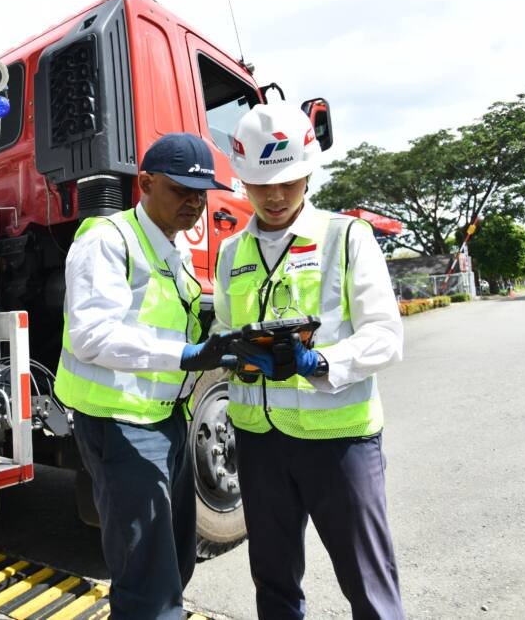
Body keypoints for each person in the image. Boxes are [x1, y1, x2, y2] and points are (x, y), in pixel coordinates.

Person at [215, 102, 405, 619]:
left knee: (368, 582)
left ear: (309, 172)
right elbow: (224, 329)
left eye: (289, 181)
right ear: (243, 181)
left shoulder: (346, 238)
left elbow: (386, 337)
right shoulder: (231, 252)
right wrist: (235, 352)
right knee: (273, 581)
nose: (275, 196)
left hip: (338, 442)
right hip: (258, 441)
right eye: (260, 184)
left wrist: (317, 362)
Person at [54, 132, 235, 619]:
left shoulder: (170, 248)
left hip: (165, 419)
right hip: (120, 425)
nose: (194, 204)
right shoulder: (107, 240)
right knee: (146, 578)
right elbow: (91, 335)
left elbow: (174, 315)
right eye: (181, 191)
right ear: (146, 183)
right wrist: (187, 355)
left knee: (174, 557)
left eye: (201, 194)